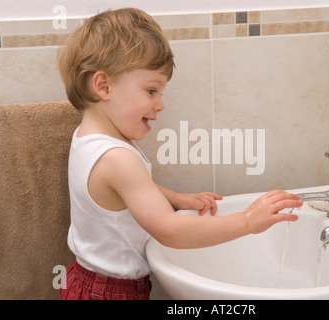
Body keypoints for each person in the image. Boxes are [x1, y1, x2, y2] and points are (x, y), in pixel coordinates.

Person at [57, 7, 303, 300]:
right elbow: (171, 231)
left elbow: (127, 190)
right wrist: (248, 221)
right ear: (103, 86)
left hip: (83, 282)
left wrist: (174, 198)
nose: (160, 104)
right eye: (151, 91)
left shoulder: (89, 138)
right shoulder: (118, 158)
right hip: (111, 294)